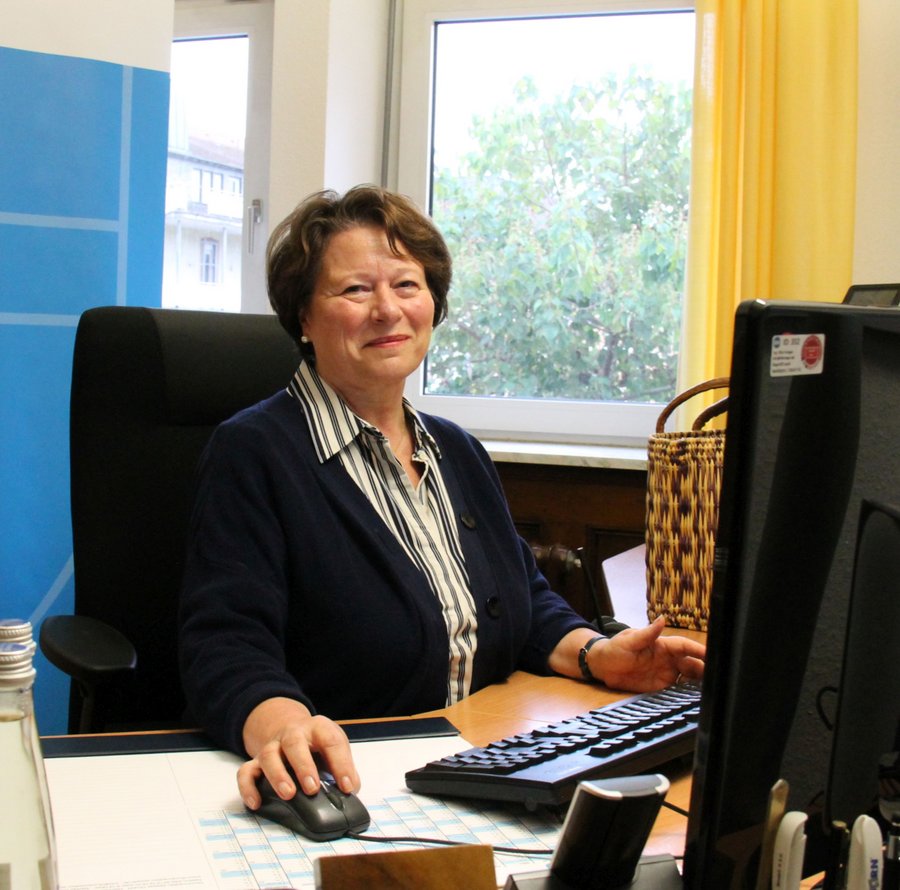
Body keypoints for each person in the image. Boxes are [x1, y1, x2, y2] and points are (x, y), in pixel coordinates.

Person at [178, 185, 705, 814]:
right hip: (353, 775)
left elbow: (525, 602)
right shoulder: (254, 453)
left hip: (480, 754)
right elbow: (227, 646)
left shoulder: (456, 449)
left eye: (407, 284)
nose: (387, 310)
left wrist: (599, 654)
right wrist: (284, 727)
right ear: (304, 319)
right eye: (355, 290)